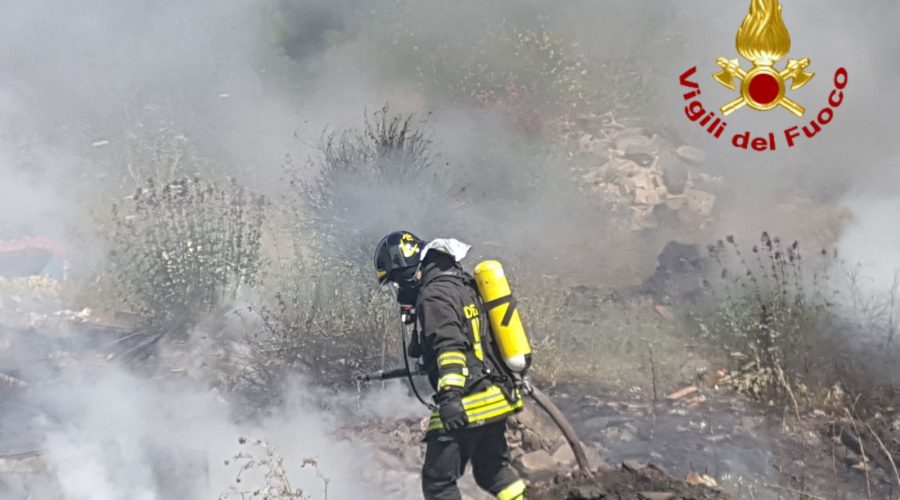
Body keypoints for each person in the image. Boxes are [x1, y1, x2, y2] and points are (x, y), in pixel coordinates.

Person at [373, 231, 527, 500]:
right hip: (496, 396)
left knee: (438, 484)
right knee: (493, 471)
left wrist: (450, 398)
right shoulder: (459, 283)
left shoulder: (433, 297)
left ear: (408, 274)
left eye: (395, 283)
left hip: (468, 400)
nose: (398, 292)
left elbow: (450, 349)